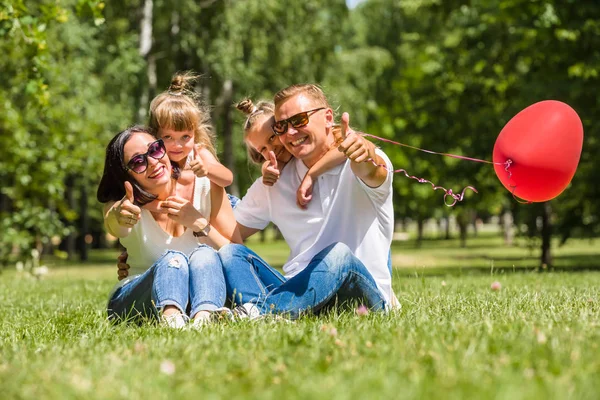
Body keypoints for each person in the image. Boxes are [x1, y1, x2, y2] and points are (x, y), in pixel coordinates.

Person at [219, 84, 398, 319]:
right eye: (282, 127)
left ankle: (261, 311)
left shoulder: (360, 162)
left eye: (299, 120)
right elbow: (227, 231)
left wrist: (363, 152)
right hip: (299, 287)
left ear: (328, 118)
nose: (290, 133)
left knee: (338, 254)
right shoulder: (273, 182)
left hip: (361, 296)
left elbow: (372, 169)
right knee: (231, 254)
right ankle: (276, 311)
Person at [97, 126, 240, 328]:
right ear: (125, 176)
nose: (153, 162)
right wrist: (118, 215)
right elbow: (114, 224)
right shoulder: (124, 205)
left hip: (199, 297)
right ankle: (171, 319)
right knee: (173, 260)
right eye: (138, 162)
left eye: (155, 149)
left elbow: (238, 259)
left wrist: (199, 224)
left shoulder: (206, 186)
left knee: (205, 255)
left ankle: (203, 319)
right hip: (135, 299)